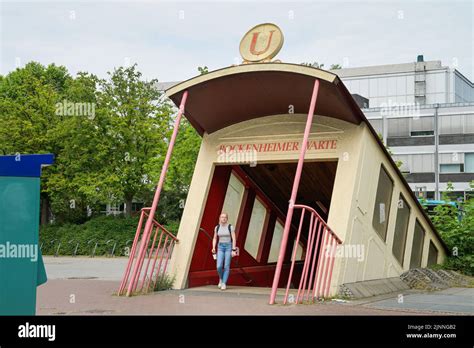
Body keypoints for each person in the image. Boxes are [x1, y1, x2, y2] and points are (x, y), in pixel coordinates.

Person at [212, 212, 237, 290]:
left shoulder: (230, 227)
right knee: (219, 266)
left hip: (228, 247)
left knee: (226, 266)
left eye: (225, 217)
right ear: (219, 218)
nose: (223, 218)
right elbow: (215, 238)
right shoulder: (217, 227)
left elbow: (234, 239)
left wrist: (233, 249)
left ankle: (223, 283)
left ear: (227, 219)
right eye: (222, 217)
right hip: (220, 247)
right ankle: (221, 278)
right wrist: (213, 247)